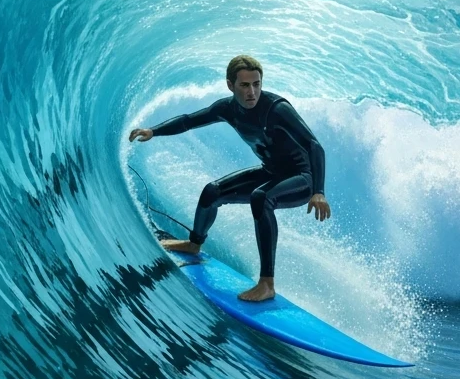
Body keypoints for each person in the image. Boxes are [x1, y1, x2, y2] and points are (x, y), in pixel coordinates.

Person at [129, 55, 331, 302]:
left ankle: (267, 284)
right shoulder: (227, 109)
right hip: (270, 171)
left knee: (260, 198)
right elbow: (189, 121)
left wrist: (319, 191)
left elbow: (314, 146)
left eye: (256, 84)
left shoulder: (277, 109)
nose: (252, 92)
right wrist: (153, 131)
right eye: (244, 85)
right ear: (230, 85)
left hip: (302, 178)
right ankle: (194, 244)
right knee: (212, 192)